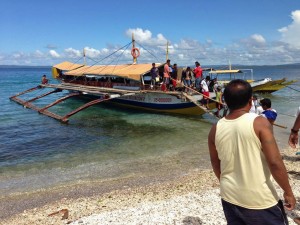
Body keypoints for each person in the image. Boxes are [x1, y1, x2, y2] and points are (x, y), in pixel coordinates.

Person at [208, 79, 295, 225]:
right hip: (260, 200)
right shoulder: (260, 123)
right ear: (250, 101)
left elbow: (216, 164)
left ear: (225, 101)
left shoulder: (215, 128)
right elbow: (274, 162)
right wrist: (288, 191)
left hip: (229, 196)